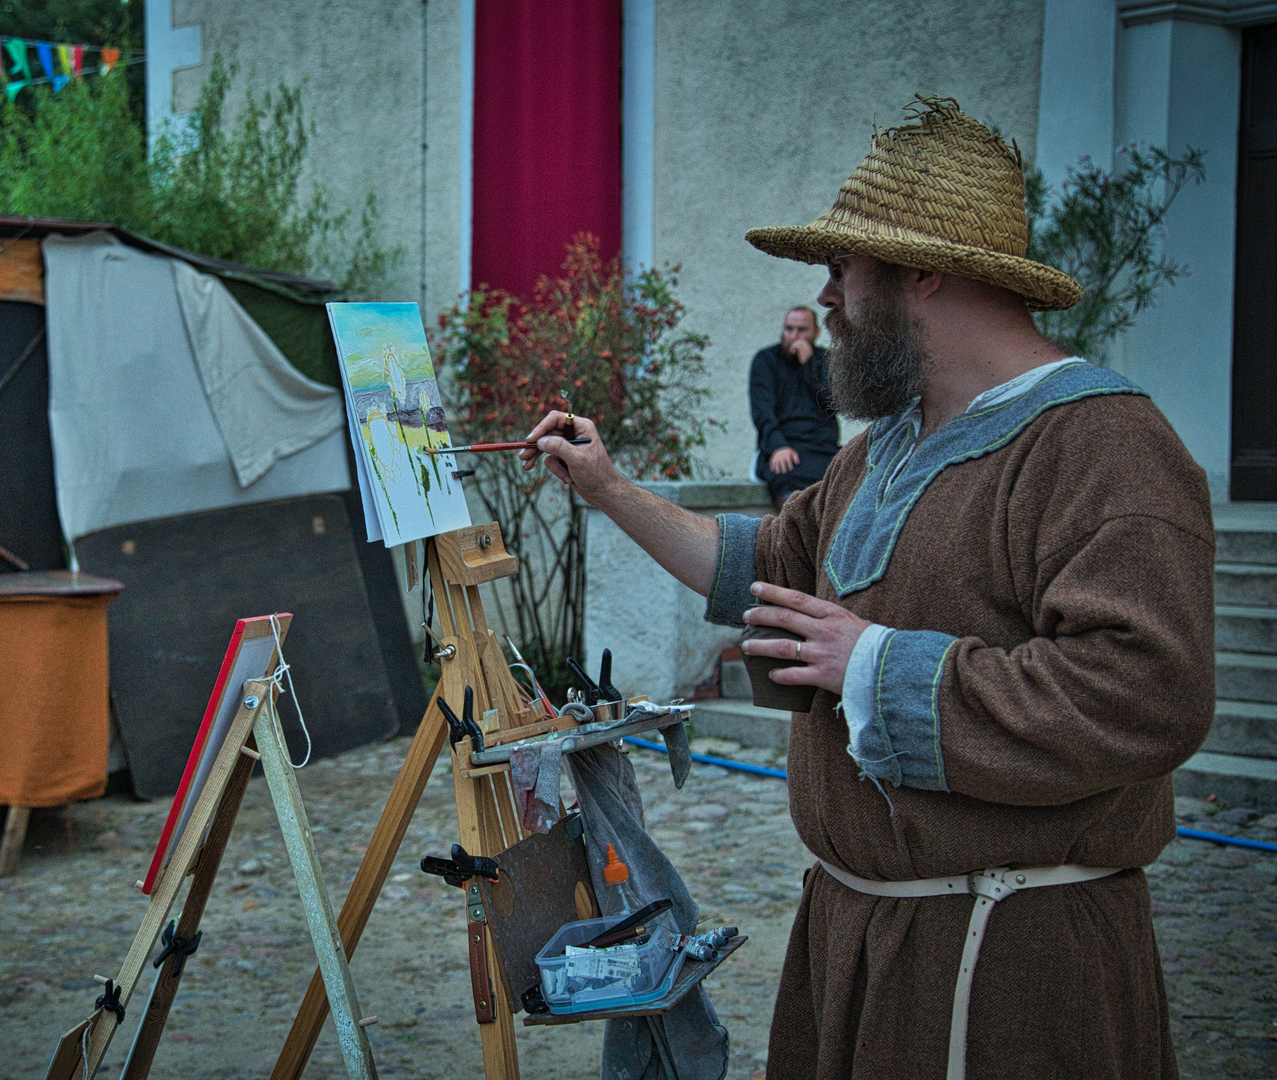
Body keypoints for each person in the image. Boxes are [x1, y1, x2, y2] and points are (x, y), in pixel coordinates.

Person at [519, 98, 1212, 1080]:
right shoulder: (888, 447)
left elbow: (1147, 695)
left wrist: (874, 664)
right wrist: (609, 490)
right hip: (858, 938)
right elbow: (767, 562)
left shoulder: (1103, 447)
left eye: (844, 269)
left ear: (921, 270)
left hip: (1007, 962)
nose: (831, 297)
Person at [750, 306, 839, 508]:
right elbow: (763, 412)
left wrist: (808, 363)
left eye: (802, 330)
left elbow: (835, 401)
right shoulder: (766, 361)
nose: (794, 336)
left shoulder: (826, 361)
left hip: (822, 448)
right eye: (789, 329)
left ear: (816, 332)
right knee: (785, 475)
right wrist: (777, 446)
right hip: (784, 445)